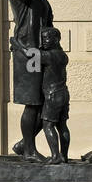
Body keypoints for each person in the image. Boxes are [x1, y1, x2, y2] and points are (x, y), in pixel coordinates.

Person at [2, 0, 77, 162]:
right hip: (29, 53)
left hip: (39, 51)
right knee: (33, 103)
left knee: (45, 101)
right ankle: (29, 150)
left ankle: (25, 143)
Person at [39, 27, 71, 164]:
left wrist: (17, 45)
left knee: (48, 125)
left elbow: (29, 53)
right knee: (62, 125)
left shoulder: (49, 55)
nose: (44, 41)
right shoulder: (63, 55)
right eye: (43, 38)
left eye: (47, 38)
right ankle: (64, 156)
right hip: (63, 92)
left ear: (56, 39)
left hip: (53, 95)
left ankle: (55, 156)